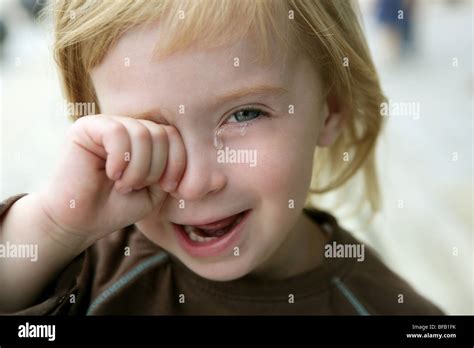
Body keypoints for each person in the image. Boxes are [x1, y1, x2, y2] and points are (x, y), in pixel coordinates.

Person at [0, 0, 443, 315]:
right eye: (151, 132)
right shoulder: (85, 265)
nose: (196, 182)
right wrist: (54, 226)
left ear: (331, 109)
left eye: (244, 114)